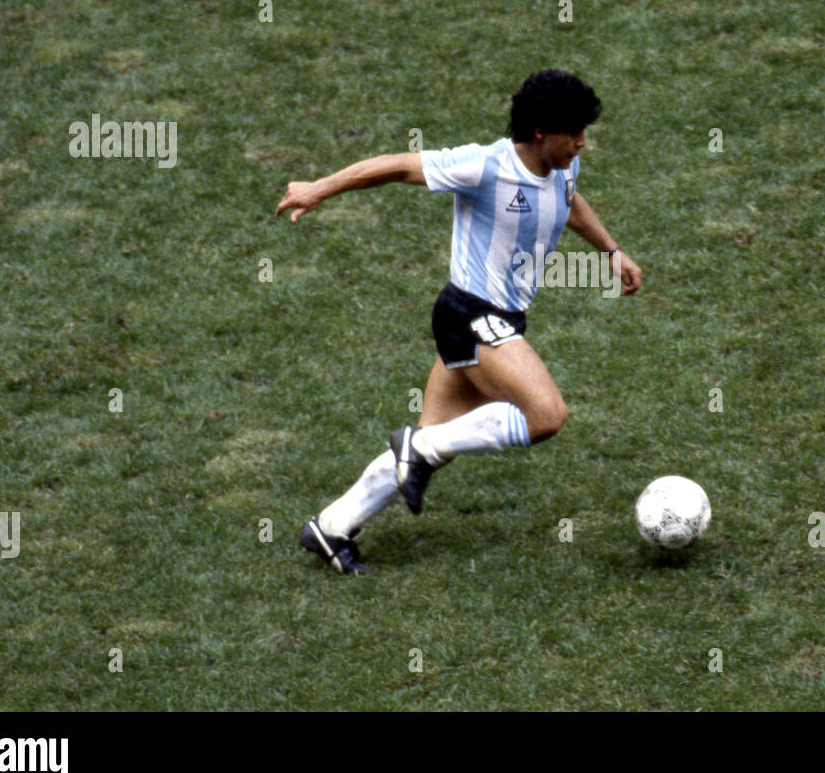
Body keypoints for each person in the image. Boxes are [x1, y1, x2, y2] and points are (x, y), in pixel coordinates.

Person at [274, 70, 642, 573]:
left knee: (435, 441)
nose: (582, 141)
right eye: (572, 132)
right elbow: (399, 165)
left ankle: (332, 527)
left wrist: (611, 250)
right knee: (545, 415)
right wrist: (320, 187)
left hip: (499, 318)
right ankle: (418, 446)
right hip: (471, 315)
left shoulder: (561, 168)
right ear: (539, 131)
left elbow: (569, 203)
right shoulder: (485, 165)